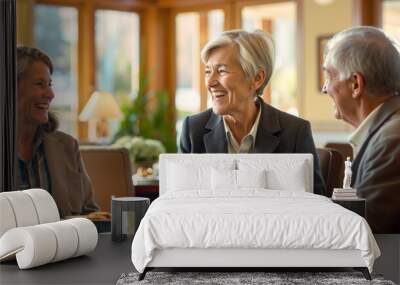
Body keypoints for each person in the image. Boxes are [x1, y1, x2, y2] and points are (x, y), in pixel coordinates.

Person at [179, 29, 325, 195]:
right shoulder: (193, 130)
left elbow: (316, 203)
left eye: (221, 71)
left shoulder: (295, 132)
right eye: (207, 71)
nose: (210, 82)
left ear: (257, 78)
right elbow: (179, 202)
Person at [322, 26, 400, 233]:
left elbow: (363, 230)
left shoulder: (391, 140)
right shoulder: (387, 129)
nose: (325, 88)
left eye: (329, 77)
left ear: (356, 84)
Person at [16, 46, 99, 217]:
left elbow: (91, 215)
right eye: (40, 84)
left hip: (66, 244)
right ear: (10, 88)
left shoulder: (68, 146)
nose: (50, 94)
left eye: (50, 84)